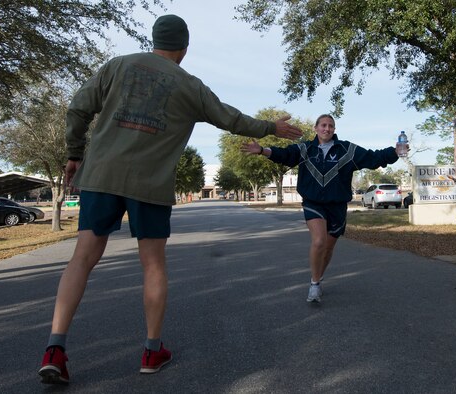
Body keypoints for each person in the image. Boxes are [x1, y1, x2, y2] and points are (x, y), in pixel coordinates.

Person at [38, 14, 302, 385]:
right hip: (150, 183)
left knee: (82, 257)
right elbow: (230, 118)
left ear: (153, 40)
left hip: (100, 175)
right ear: (184, 48)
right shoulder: (190, 86)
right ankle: (151, 350)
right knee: (153, 264)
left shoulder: (118, 66)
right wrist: (272, 127)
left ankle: (55, 349)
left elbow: (78, 108)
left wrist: (74, 154)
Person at [241, 114, 402, 303]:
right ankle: (314, 284)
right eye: (323, 125)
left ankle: (318, 276)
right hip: (313, 203)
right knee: (318, 241)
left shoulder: (347, 150)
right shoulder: (304, 149)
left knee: (327, 247)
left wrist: (395, 151)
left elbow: (373, 158)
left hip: (337, 205)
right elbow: (283, 154)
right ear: (316, 128)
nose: (327, 129)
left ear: (334, 129)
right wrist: (261, 150)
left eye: (331, 126)